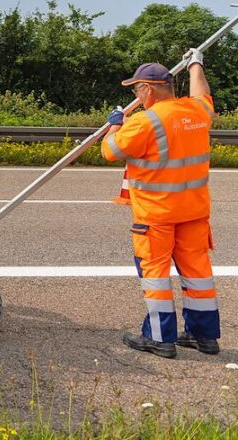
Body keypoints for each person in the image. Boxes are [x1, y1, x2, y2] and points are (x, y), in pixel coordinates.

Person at [101, 51, 219, 358]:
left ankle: (159, 339)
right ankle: (203, 337)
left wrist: (114, 125)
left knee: (155, 275)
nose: (135, 95)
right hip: (193, 213)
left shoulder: (145, 122)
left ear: (147, 89)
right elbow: (203, 94)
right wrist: (196, 64)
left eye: (136, 90)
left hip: (157, 215)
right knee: (198, 275)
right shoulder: (196, 112)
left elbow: (111, 151)